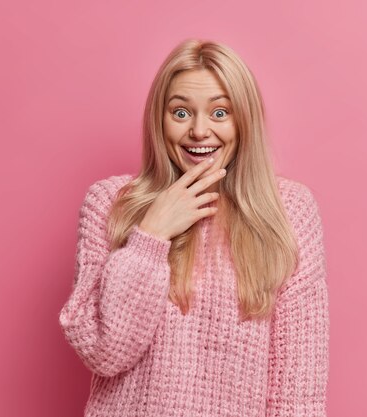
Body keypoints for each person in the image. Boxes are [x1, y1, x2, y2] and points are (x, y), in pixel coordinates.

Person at [58, 38, 330, 417]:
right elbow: (105, 351)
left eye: (220, 113)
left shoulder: (289, 212)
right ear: (159, 118)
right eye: (181, 112)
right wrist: (151, 235)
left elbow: (298, 391)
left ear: (244, 120)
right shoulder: (110, 204)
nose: (199, 131)